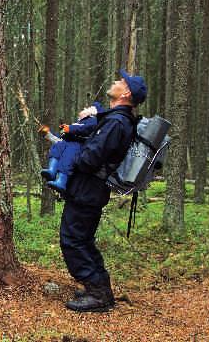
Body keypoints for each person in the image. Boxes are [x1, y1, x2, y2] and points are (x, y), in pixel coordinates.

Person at [60, 69, 147, 312]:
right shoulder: (117, 119)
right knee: (83, 240)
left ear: (126, 93)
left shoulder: (116, 123)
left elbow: (90, 159)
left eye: (121, 81)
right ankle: (101, 290)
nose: (116, 82)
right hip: (92, 189)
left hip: (88, 189)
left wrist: (74, 155)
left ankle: (97, 293)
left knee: (73, 240)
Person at [41, 102, 105, 193]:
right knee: (58, 146)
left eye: (86, 108)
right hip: (70, 143)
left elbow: (86, 129)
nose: (83, 108)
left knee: (68, 157)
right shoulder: (78, 123)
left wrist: (70, 129)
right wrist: (48, 134)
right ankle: (52, 170)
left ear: (92, 112)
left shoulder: (93, 120)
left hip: (79, 146)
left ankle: (61, 181)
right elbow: (61, 140)